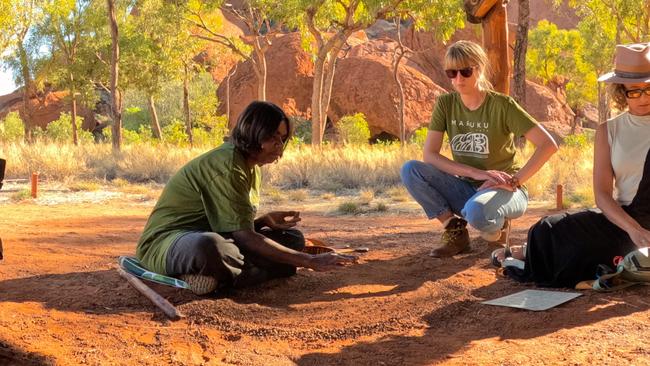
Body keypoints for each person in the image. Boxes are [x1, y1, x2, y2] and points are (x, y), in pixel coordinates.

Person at [136, 101, 357, 295]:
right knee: (212, 247)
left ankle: (223, 277)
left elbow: (230, 226)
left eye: (282, 138)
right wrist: (310, 261)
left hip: (218, 235)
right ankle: (223, 273)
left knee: (293, 239)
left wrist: (261, 221)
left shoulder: (252, 167)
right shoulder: (228, 165)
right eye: (271, 137)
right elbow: (242, 237)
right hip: (168, 243)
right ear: (252, 133)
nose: (279, 146)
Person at [495, 42, 650, 288]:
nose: (643, 97)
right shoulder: (608, 130)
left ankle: (523, 253)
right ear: (622, 91)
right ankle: (524, 254)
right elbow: (602, 195)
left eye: (648, 89)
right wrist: (636, 231)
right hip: (624, 222)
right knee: (546, 231)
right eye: (634, 91)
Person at [401, 40, 558, 257]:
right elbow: (430, 155)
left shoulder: (502, 105)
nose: (458, 79)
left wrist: (515, 181)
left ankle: (497, 225)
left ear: (480, 69)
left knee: (477, 211)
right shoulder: (446, 104)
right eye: (451, 73)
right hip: (467, 187)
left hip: (505, 190)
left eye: (465, 71)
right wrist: (477, 173)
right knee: (411, 170)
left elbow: (548, 145)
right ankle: (454, 230)